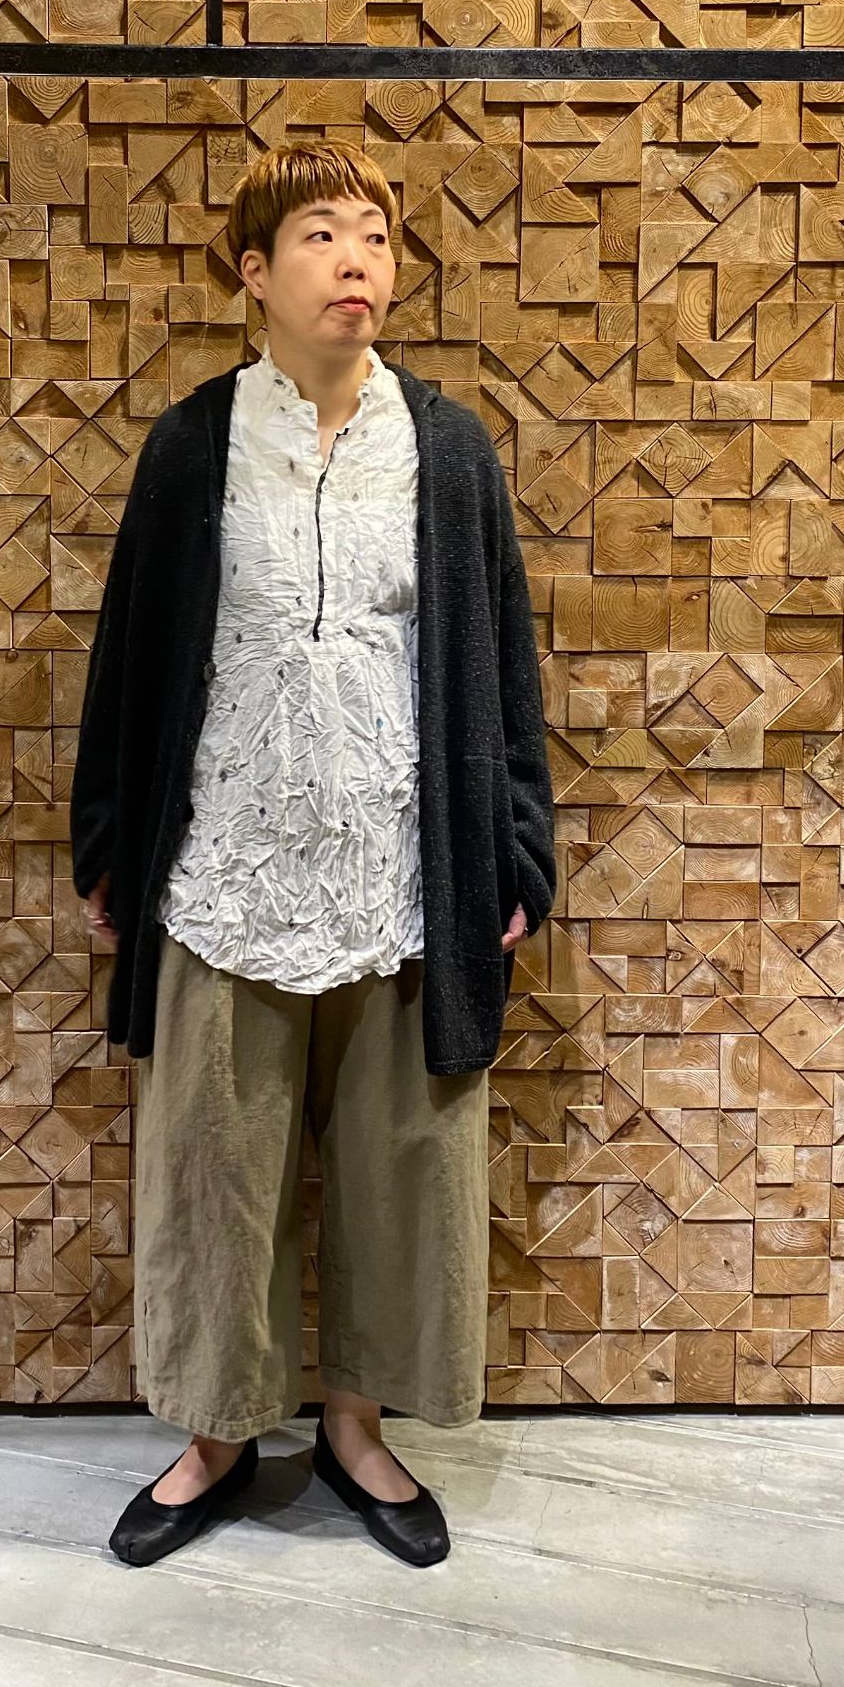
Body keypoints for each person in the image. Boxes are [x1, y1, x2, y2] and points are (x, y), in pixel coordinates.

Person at [70, 139, 556, 1570]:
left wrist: (515, 847)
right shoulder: (193, 447)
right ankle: (219, 1437)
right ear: (255, 272)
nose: (357, 261)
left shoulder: (450, 452)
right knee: (213, 1169)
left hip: (405, 872)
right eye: (322, 235)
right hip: (228, 866)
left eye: (377, 237)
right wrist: (109, 844)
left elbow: (499, 664)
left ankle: (356, 1423)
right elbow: (133, 659)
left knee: (406, 1166)